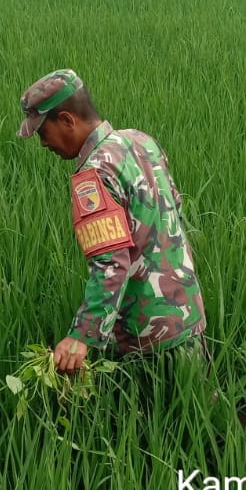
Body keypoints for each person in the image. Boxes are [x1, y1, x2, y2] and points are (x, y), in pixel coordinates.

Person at [17, 69, 207, 377]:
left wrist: (81, 336)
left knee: (152, 422)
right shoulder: (142, 142)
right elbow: (176, 210)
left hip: (147, 339)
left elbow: (111, 263)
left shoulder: (93, 177)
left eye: (42, 132)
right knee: (200, 414)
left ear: (67, 120)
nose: (43, 143)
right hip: (188, 316)